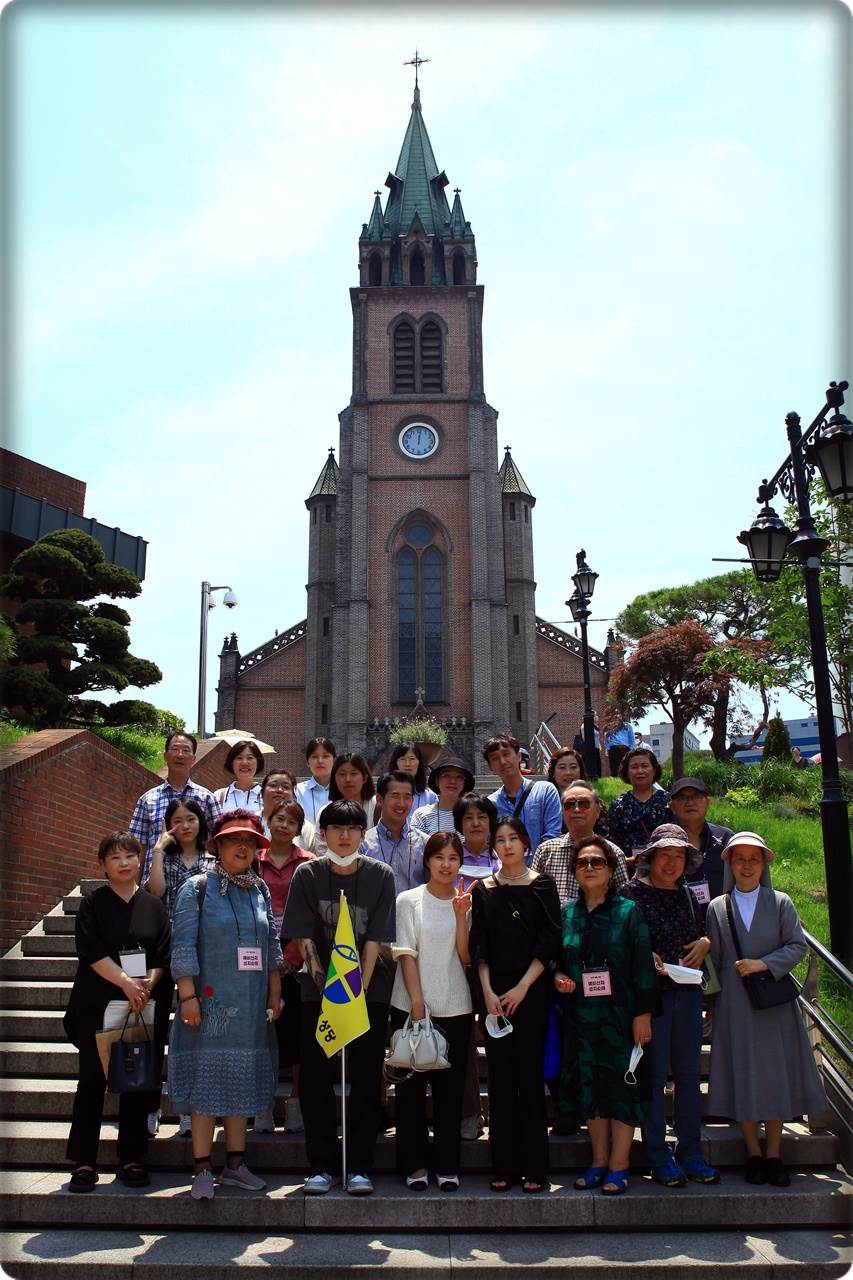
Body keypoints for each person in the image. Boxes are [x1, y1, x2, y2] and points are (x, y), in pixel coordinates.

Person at [282, 799, 397, 1196]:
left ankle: (360, 1164)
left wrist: (357, 990)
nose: (344, 836)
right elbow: (304, 938)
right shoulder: (307, 874)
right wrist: (326, 988)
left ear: (363, 834)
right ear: (324, 833)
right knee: (315, 1078)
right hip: (317, 994)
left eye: (352, 829)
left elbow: (376, 940)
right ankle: (322, 1166)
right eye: (336, 828)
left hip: (368, 992)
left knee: (365, 1076)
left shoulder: (380, 875)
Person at [168, 810, 283, 1200]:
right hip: (208, 1007)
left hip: (251, 1007)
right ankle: (202, 1167)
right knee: (206, 1083)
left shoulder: (259, 889)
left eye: (250, 841)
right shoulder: (196, 887)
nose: (243, 847)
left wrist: (275, 993)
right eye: (235, 839)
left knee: (241, 1083)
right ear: (217, 845)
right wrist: (187, 996)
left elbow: (271, 946)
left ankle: (235, 1165)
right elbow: (183, 945)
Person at [706, 831, 828, 1188]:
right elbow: (715, 960)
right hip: (733, 1003)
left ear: (763, 864)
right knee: (742, 1073)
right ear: (730, 864)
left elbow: (797, 946)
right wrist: (711, 1004)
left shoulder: (780, 903)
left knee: (774, 1076)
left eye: (753, 859)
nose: (746, 866)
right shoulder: (717, 907)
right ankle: (753, 1152)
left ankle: (774, 1153)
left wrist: (762, 964)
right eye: (740, 859)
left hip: (773, 1005)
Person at [63, 832, 171, 1192]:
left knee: (136, 1081)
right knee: (92, 1081)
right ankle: (84, 1162)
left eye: (130, 855)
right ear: (103, 865)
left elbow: (162, 954)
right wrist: (126, 983)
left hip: (140, 1005)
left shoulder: (153, 905)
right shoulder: (92, 904)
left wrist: (146, 985)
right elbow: (90, 951)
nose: (124, 863)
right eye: (115, 857)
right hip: (98, 1004)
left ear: (140, 859)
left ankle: (131, 1158)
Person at [554, 834, 656, 1196]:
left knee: (622, 1090)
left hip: (621, 1018)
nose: (590, 867)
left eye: (597, 862)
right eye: (582, 863)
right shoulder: (567, 914)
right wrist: (558, 977)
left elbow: (643, 966)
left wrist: (643, 1014)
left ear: (611, 870)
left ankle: (619, 1164)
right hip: (581, 1018)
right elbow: (556, 960)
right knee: (591, 1090)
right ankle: (598, 1161)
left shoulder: (628, 912)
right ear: (575, 871)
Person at [620, 824, 719, 1187]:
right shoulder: (631, 894)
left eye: (679, 855)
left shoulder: (687, 894)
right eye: (666, 855)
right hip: (652, 1000)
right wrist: (642, 955)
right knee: (655, 1077)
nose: (672, 862)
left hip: (688, 995)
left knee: (689, 1078)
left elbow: (700, 934)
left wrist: (705, 942)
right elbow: (618, 942)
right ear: (651, 857)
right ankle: (658, 1154)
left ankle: (691, 1152)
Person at [469, 817, 562, 1193]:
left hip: (532, 993)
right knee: (501, 1082)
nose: (507, 846)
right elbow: (479, 946)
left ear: (525, 843)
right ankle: (504, 1167)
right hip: (494, 998)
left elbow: (549, 941)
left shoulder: (542, 884)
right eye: (500, 840)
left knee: (529, 1079)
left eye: (513, 839)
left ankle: (536, 1169)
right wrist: (488, 993)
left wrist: (523, 988)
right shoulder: (484, 889)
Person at [391, 833, 473, 1191]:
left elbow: (465, 956)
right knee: (410, 1092)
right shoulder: (408, 900)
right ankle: (414, 1166)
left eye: (453, 858)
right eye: (439, 857)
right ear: (427, 861)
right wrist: (418, 1002)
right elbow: (405, 952)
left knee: (449, 1094)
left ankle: (447, 1165)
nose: (446, 864)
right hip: (410, 1005)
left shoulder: (465, 901)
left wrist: (461, 916)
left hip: (456, 1006)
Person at [143, 797, 215, 1137]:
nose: (185, 826)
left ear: (201, 822)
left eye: (191, 819)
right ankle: (151, 1105)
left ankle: (191, 1107)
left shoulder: (213, 861)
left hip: (204, 951)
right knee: (156, 1028)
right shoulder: (166, 860)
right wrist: (158, 849)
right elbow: (155, 892)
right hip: (165, 950)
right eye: (177, 820)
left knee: (195, 1031)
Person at [254, 799, 314, 1135]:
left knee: (299, 1037)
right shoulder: (253, 860)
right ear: (268, 820)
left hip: (298, 961)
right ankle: (261, 1104)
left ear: (299, 829)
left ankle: (296, 1102)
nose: (284, 825)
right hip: (256, 960)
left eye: (291, 821)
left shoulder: (308, 862)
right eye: (278, 818)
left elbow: (310, 912)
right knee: (261, 1035)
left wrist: (290, 957)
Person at [451, 792, 498, 1140]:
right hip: (458, 959)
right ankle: (469, 1111)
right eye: (468, 818)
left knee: (500, 1039)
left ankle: (501, 1108)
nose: (476, 823)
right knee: (463, 1041)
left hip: (499, 962)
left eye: (482, 817)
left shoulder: (505, 856)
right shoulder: (450, 858)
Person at [129, 732, 221, 880]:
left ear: (193, 759)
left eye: (186, 750)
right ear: (165, 756)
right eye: (175, 749)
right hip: (154, 884)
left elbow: (220, 841)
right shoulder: (147, 799)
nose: (180, 755)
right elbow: (137, 846)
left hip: (199, 884)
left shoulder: (207, 798)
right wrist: (135, 887)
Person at [533, 781, 630, 907]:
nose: (576, 809)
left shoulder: (613, 853)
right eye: (570, 804)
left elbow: (623, 904)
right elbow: (532, 896)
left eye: (584, 804)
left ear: (597, 811)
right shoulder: (545, 851)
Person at [483, 734, 562, 861]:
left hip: (541, 869)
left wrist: (535, 869)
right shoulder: (490, 804)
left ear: (519, 756)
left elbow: (552, 836)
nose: (502, 761)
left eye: (506, 754)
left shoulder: (545, 791)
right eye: (495, 758)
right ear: (490, 767)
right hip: (506, 871)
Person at [667, 776, 733, 905]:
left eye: (697, 796)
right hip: (677, 914)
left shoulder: (725, 837)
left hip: (720, 914)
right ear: (672, 806)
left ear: (707, 802)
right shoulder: (662, 841)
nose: (690, 802)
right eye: (682, 798)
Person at [359, 771, 427, 894]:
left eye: (407, 797)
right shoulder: (363, 844)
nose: (401, 803)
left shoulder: (425, 843)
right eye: (395, 796)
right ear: (380, 799)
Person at [606, 747, 671, 869]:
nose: (640, 771)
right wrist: (624, 860)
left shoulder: (668, 801)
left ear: (654, 770)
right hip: (630, 870)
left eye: (645, 766)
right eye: (634, 767)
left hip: (665, 868)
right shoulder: (619, 805)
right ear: (627, 772)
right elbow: (611, 842)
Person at [411, 757, 475, 835]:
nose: (453, 781)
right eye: (446, 775)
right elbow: (415, 841)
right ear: (437, 781)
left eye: (459, 777)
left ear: (464, 783)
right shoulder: (421, 815)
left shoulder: (473, 814)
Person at [261, 770, 317, 849]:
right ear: (262, 792)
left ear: (293, 796)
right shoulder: (250, 822)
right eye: (273, 785)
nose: (279, 790)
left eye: (286, 787)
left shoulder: (307, 828)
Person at [328, 751, 377, 829]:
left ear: (364, 778)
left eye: (353, 774)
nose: (348, 779)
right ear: (334, 779)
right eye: (342, 774)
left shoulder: (377, 806)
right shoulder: (327, 811)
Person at [214, 739, 265, 815]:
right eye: (239, 758)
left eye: (250, 758)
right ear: (232, 763)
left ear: (258, 762)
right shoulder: (219, 796)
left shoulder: (266, 796)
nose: (244, 763)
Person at [295, 737, 336, 826]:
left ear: (334, 760)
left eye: (325, 756)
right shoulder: (297, 791)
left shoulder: (343, 789)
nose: (320, 761)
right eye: (314, 757)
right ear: (307, 762)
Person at [388, 742, 438, 813]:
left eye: (412, 759)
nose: (407, 764)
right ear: (395, 763)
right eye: (402, 759)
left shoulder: (430, 797)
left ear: (419, 763)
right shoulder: (386, 793)